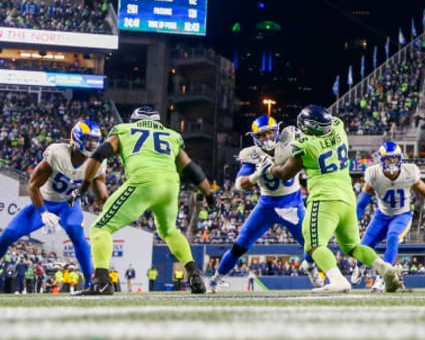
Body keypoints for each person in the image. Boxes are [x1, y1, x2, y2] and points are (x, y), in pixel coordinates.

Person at [77, 106, 217, 296]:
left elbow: (99, 154)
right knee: (169, 231)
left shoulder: (124, 130)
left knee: (100, 228)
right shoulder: (171, 135)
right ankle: (193, 274)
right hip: (170, 186)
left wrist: (86, 183)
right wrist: (209, 196)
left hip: (143, 181)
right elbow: (192, 169)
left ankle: (102, 282)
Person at [267, 104, 401, 294]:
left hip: (324, 199)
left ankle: (337, 280)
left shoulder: (305, 146)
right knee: (353, 246)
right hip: (347, 198)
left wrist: (270, 166)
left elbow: (284, 173)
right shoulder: (338, 126)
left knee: (313, 245)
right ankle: (384, 267)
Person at [211, 116, 321, 290]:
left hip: (292, 203)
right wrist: (255, 176)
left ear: (277, 131)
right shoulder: (252, 154)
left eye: (270, 132)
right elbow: (239, 185)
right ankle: (215, 280)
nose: (267, 138)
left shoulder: (290, 144)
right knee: (240, 245)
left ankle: (311, 267)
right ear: (255, 137)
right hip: (266, 205)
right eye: (262, 135)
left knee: (314, 244)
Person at [0, 121, 108, 285]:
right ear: (77, 138)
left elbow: (100, 186)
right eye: (88, 140)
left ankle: (89, 281)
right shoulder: (57, 153)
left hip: (69, 205)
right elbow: (33, 185)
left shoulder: (98, 160)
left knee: (75, 230)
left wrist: (103, 201)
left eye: (95, 141)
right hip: (45, 201)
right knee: (7, 236)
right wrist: (43, 211)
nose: (92, 145)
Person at [357, 140, 425, 290]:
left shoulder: (409, 172)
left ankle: (383, 277)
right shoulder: (374, 174)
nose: (392, 162)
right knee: (364, 245)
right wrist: (355, 218)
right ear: (381, 160)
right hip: (381, 214)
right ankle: (359, 266)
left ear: (400, 158)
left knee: (392, 237)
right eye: (388, 158)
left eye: (394, 158)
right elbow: (362, 202)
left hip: (401, 214)